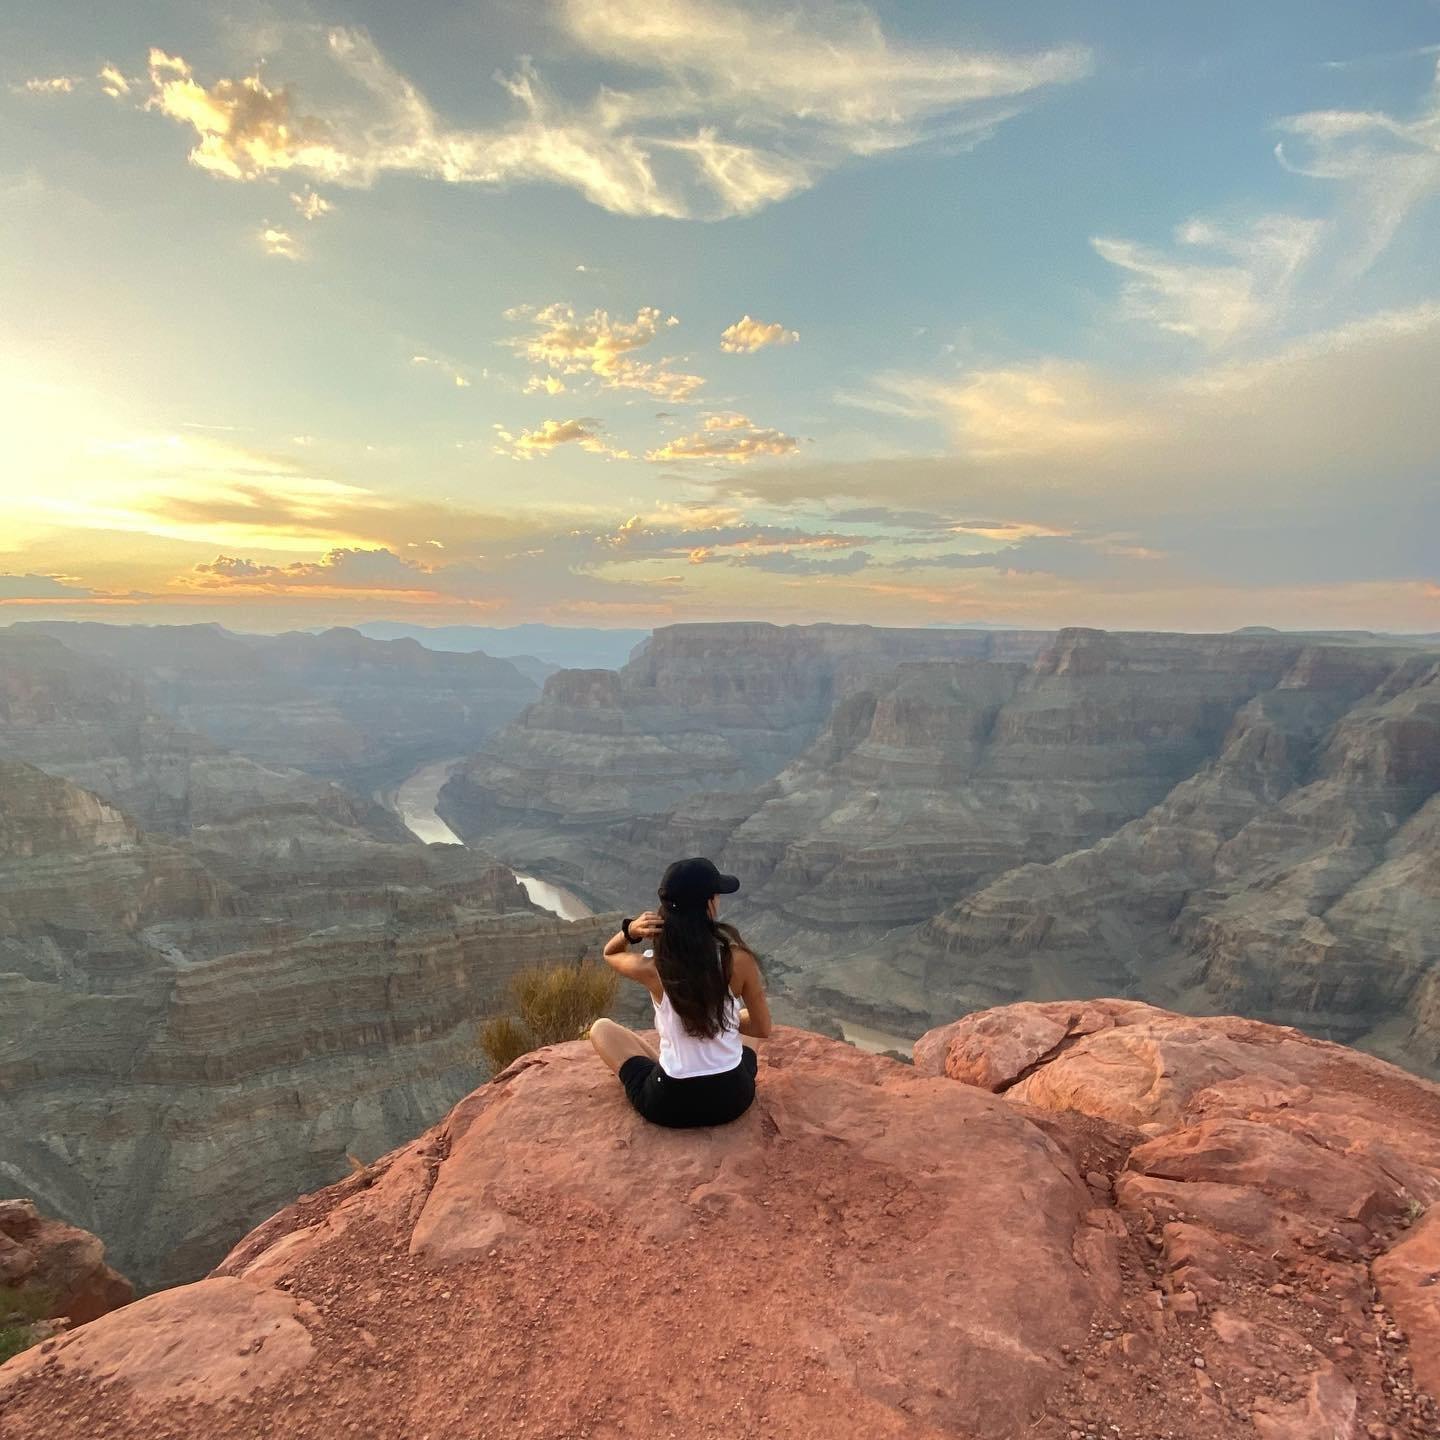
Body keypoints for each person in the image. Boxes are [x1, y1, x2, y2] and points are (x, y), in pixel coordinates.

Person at [589, 857, 772, 1128]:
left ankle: (670, 1064)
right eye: (717, 896)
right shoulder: (738, 960)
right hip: (732, 1098)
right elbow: (762, 1028)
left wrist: (630, 931)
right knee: (742, 1016)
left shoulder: (653, 968)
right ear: (709, 905)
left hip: (671, 1104)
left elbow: (610, 954)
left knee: (601, 1029)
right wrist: (724, 1023)